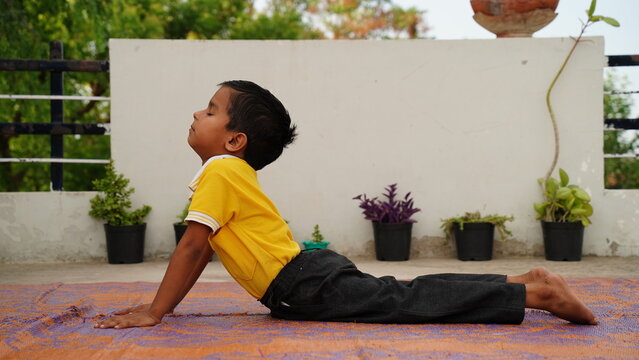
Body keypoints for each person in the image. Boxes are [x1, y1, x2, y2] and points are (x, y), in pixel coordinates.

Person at [95, 80, 596, 329]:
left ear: (234, 140)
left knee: (404, 301)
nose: (196, 114)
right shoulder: (228, 173)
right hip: (307, 273)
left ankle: (535, 296)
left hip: (302, 286)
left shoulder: (220, 172)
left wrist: (154, 312)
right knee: (402, 292)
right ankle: (521, 283)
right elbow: (201, 251)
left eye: (210, 111)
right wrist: (163, 308)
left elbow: (191, 246)